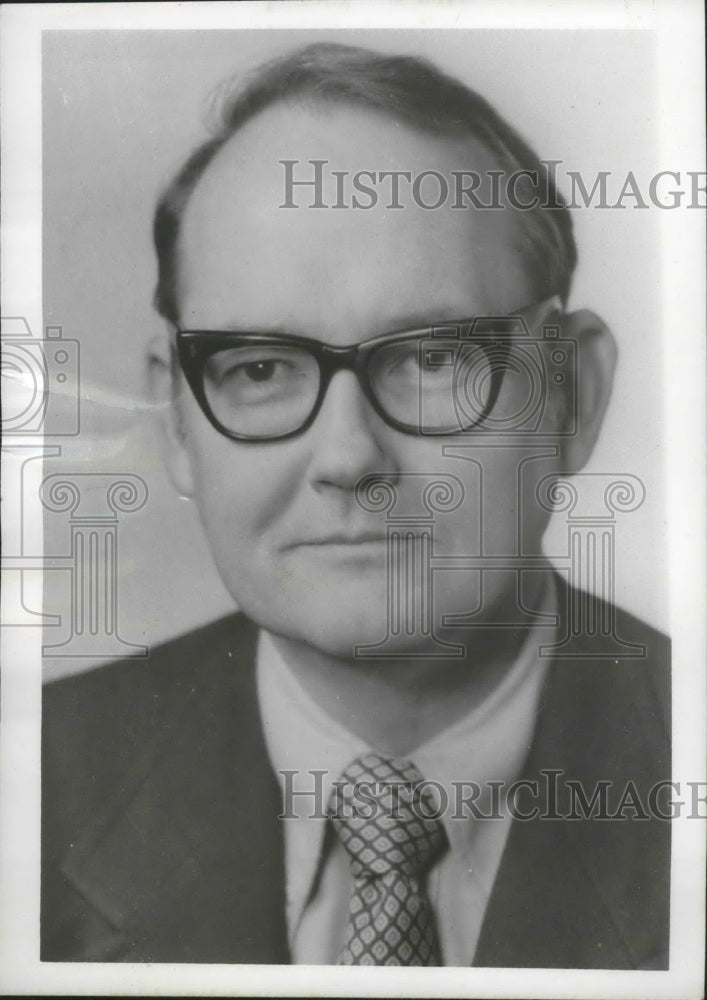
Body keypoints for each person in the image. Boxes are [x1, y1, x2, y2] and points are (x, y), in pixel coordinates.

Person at [41, 42, 669, 968]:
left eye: (432, 359)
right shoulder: (33, 785)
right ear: (176, 421)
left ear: (571, 395)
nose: (346, 458)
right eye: (259, 369)